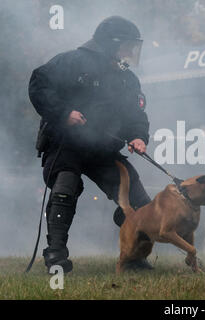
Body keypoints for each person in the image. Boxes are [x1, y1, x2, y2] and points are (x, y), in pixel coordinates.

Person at [28, 16, 153, 273]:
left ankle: (135, 258)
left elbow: (135, 115)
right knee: (66, 186)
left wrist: (139, 136)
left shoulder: (127, 79)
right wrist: (64, 113)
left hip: (103, 149)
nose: (131, 52)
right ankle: (56, 257)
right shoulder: (71, 62)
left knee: (140, 203)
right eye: (128, 45)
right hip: (66, 145)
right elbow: (39, 84)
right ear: (111, 43)